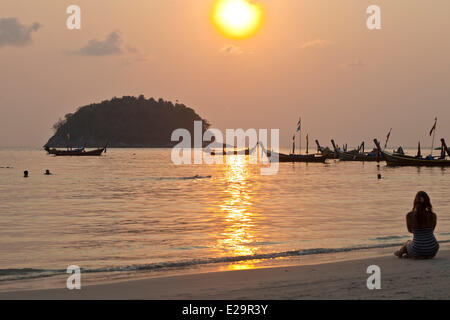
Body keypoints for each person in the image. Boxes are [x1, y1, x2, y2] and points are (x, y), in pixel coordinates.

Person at [395, 191, 439, 259]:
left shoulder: (410, 215)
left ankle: (400, 253)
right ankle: (412, 254)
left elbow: (410, 231)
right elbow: (432, 230)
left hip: (418, 249)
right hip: (433, 248)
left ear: (415, 202)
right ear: (428, 202)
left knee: (408, 242)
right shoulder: (433, 215)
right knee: (413, 244)